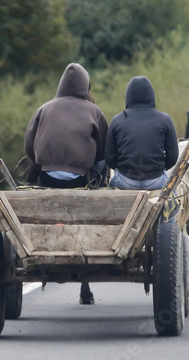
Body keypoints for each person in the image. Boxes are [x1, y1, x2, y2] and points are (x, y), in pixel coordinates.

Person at [24, 62, 107, 304]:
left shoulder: (43, 109)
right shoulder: (94, 111)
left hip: (47, 179)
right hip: (82, 180)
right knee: (103, 165)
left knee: (35, 165)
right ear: (86, 87)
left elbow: (29, 148)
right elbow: (103, 153)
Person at [106, 76, 179, 190]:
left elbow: (109, 158)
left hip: (125, 181)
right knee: (174, 196)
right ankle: (176, 209)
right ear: (152, 95)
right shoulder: (165, 119)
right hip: (156, 180)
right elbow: (173, 156)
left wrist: (123, 168)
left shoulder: (117, 120)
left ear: (128, 96)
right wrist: (159, 168)